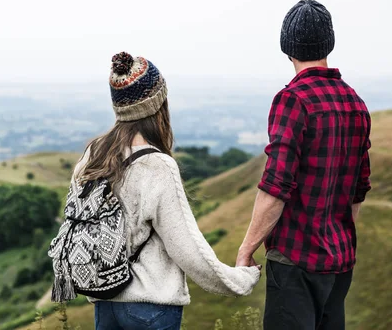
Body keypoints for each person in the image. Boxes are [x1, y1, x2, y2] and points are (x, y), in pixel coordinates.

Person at [72, 52, 261, 330]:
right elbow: (188, 251)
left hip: (105, 303)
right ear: (158, 105)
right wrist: (240, 280)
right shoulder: (157, 165)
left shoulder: (93, 155)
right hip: (150, 310)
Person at [236, 0, 371, 330]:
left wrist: (245, 250)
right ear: (329, 43)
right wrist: (337, 238)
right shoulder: (355, 102)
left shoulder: (293, 100)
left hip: (296, 262)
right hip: (340, 264)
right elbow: (358, 191)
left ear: (287, 47)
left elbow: (276, 187)